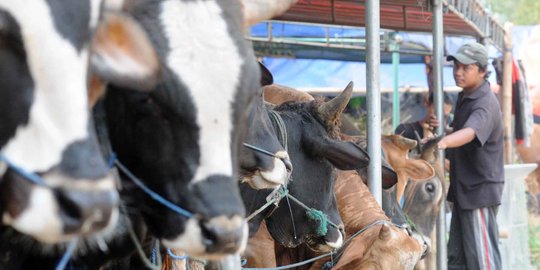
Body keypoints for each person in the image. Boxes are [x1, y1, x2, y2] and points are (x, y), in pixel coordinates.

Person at [438, 42, 504, 270]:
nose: (458, 72)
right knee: (457, 259)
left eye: (466, 67)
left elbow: (471, 132)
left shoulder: (485, 102)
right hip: (464, 190)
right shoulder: (466, 96)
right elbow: (461, 130)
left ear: (483, 70)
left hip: (479, 193)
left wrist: (444, 141)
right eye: (456, 66)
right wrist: (444, 132)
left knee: (483, 261)